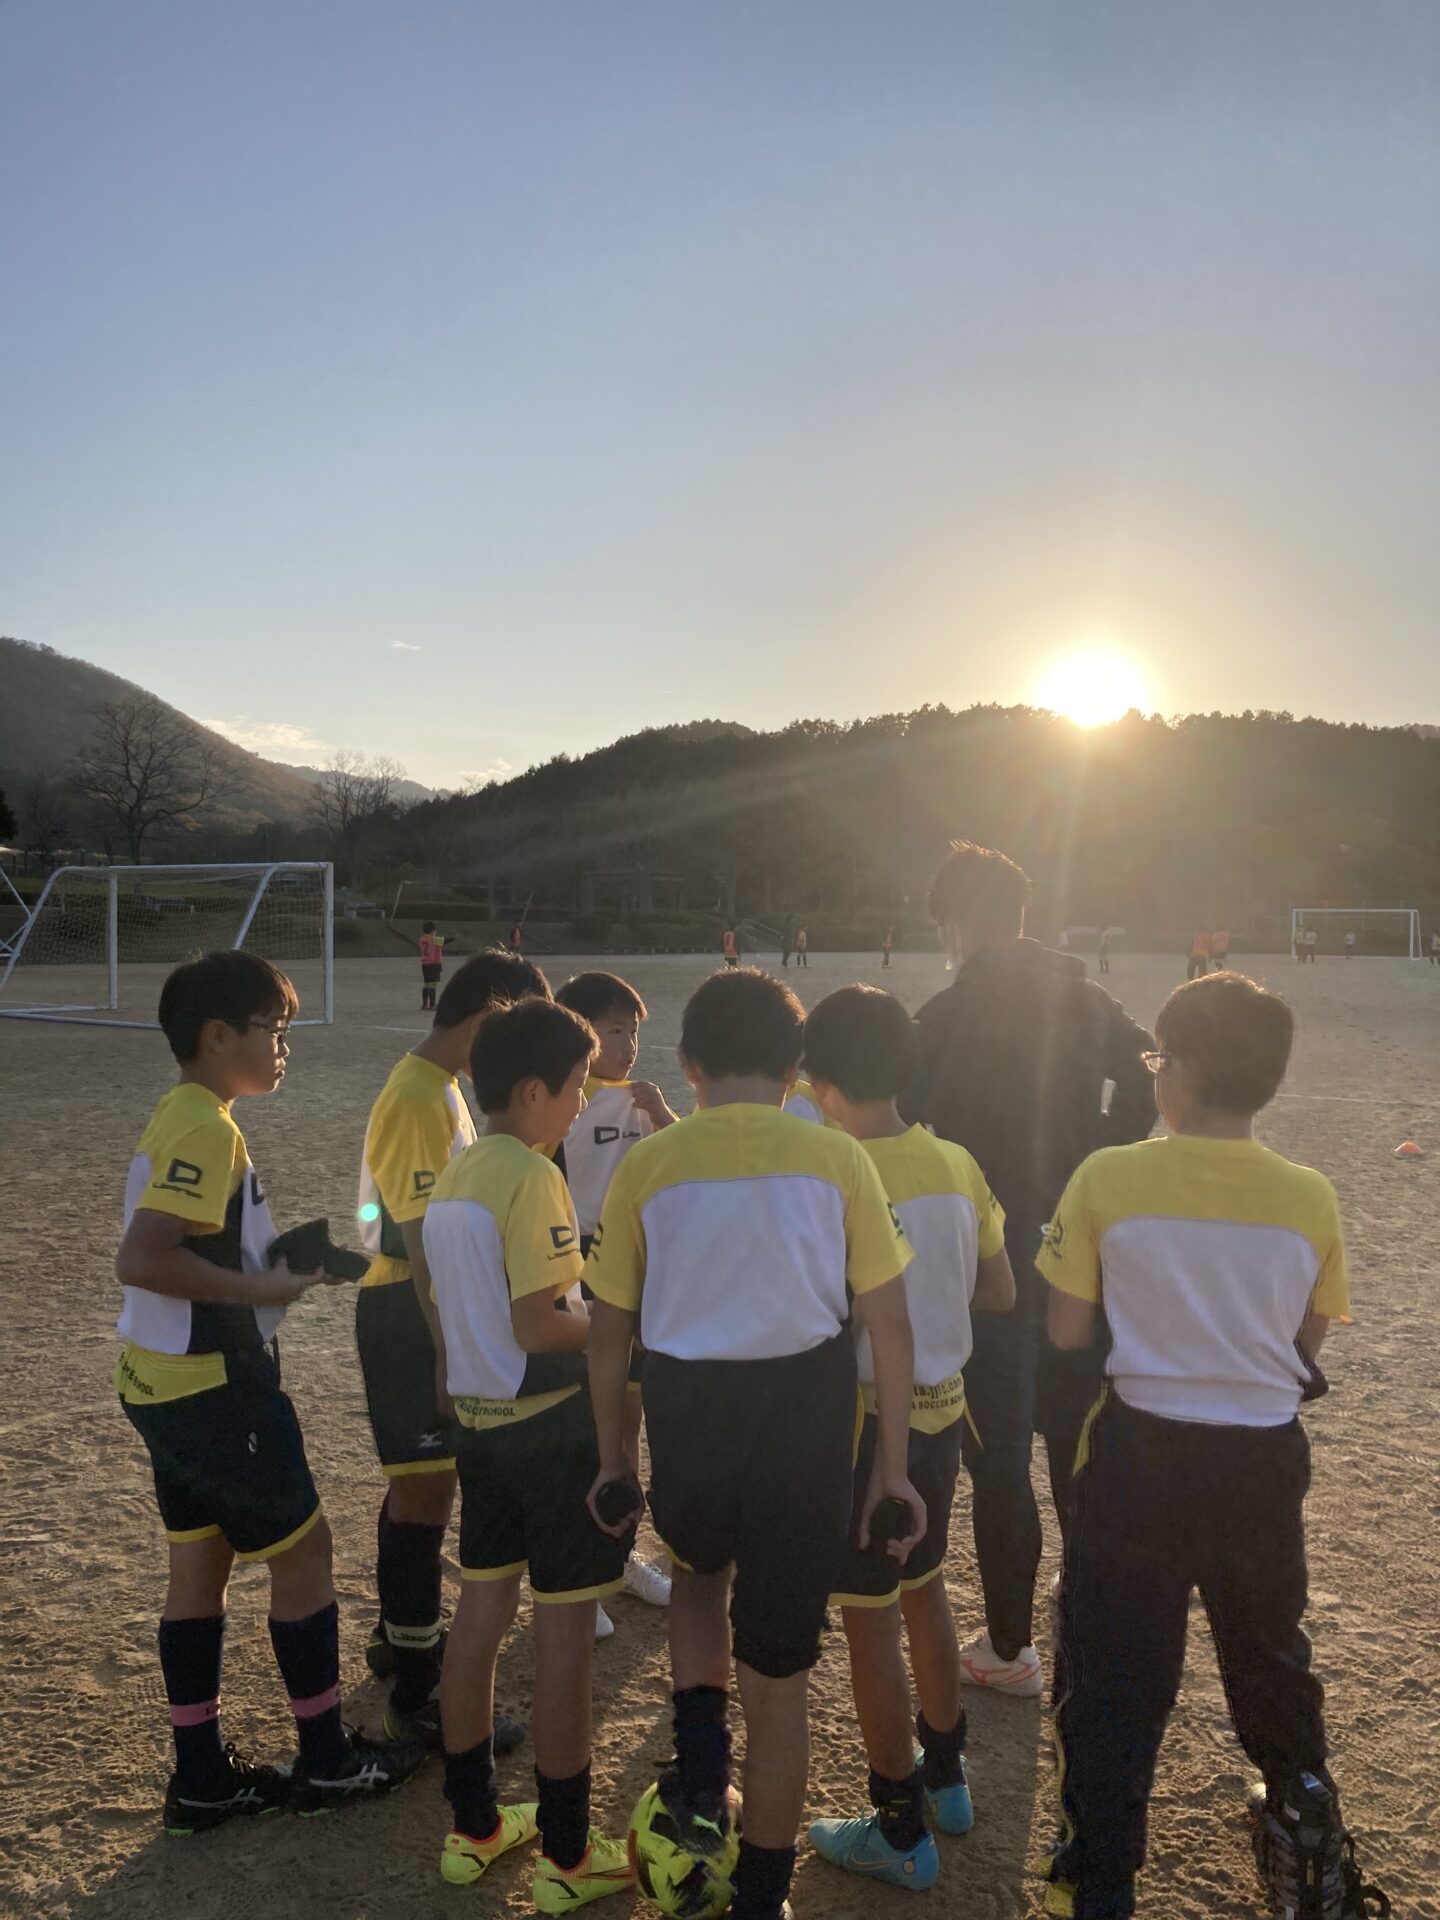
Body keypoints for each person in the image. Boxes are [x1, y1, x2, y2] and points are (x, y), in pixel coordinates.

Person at [1039, 972, 1387, 1920]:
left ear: (1183, 1071)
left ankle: (1100, 1878)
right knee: (1268, 1652)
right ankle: (1307, 1841)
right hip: (1261, 1459)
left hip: (1139, 1453)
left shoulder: (1108, 1176)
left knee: (1116, 1674)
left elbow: (1068, 1331)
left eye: (1158, 1060)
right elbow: (1305, 1342)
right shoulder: (1309, 1195)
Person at [584, 968, 924, 1920]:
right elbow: (890, 1325)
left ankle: (701, 1772)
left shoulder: (650, 1162)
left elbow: (608, 1334)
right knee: (780, 1684)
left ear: (688, 1065)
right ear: (795, 1066)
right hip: (805, 1424)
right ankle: (764, 1898)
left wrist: (612, 1458)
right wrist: (893, 1471)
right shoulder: (839, 1159)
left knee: (698, 1571)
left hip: (691, 1407)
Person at [114, 952, 422, 1835]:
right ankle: (326, 1759)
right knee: (305, 1550)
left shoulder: (188, 1113)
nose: (284, 1047)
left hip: (163, 1381)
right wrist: (262, 1289)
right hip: (214, 1388)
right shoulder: (205, 1127)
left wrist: (272, 1263)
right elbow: (145, 1257)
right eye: (272, 1031)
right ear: (218, 1036)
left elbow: (188, 1246)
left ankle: (201, 1776)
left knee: (200, 1565)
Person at [901, 841, 1155, 1697]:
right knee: (1077, 1440)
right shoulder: (1085, 996)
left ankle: (1010, 1650)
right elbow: (1148, 1070)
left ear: (953, 924)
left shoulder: (943, 1016)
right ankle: (1088, 1612)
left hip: (993, 1259)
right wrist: (1102, 1150)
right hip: (1078, 1242)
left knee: (1001, 1458)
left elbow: (902, 1122)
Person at [800, 986, 1016, 1890]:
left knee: (869, 1622)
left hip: (866, 1425)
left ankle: (897, 1826)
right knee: (926, 1590)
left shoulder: (831, 1169)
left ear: (819, 1083)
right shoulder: (956, 1161)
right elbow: (1000, 1290)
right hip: (942, 1412)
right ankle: (948, 1779)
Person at [426, 998, 637, 1905]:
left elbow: (449, 1311)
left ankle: (473, 1828)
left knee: (477, 1621)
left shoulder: (459, 1172)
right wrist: (621, 1327)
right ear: (531, 1091)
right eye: (577, 1086)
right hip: (549, 1431)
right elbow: (541, 1322)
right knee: (564, 1639)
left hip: (480, 1427)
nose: (583, 1103)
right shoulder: (531, 1174)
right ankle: (568, 1856)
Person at [357, 950, 549, 1746]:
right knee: (424, 1493)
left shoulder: (439, 1087)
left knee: (421, 1486)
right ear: (484, 1017)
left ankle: (400, 1635)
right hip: (409, 1309)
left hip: (423, 1307)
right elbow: (417, 1238)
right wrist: (446, 1352)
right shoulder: (417, 1096)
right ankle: (420, 1689)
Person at [553, 971, 680, 1618]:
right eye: (613, 1031)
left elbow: (682, 1164)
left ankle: (618, 1556)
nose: (628, 1045)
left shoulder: (642, 1100)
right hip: (578, 1266)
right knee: (587, 1423)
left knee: (627, 1422)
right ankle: (582, 1564)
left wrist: (662, 1115)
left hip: (638, 1268)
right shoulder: (561, 1102)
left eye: (634, 1032)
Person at [418, 921, 445, 1012]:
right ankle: (432, 1005)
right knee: (433, 985)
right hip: (434, 964)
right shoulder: (434, 939)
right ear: (433, 930)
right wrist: (454, 938)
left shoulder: (422, 939)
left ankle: (425, 1004)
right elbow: (445, 941)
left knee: (427, 984)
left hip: (425, 964)